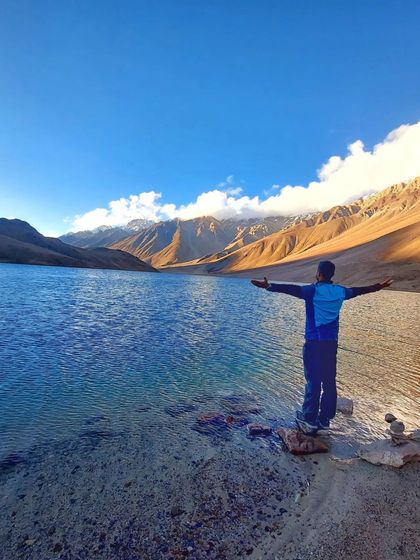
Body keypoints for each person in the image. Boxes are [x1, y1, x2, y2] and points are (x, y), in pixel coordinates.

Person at [251, 261, 393, 434]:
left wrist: (269, 286)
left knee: (313, 380)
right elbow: (359, 290)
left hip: (313, 343)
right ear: (331, 275)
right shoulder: (341, 291)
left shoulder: (312, 290)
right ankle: (325, 421)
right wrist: (379, 286)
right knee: (329, 381)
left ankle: (309, 419)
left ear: (319, 273)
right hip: (331, 344)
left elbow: (291, 289)